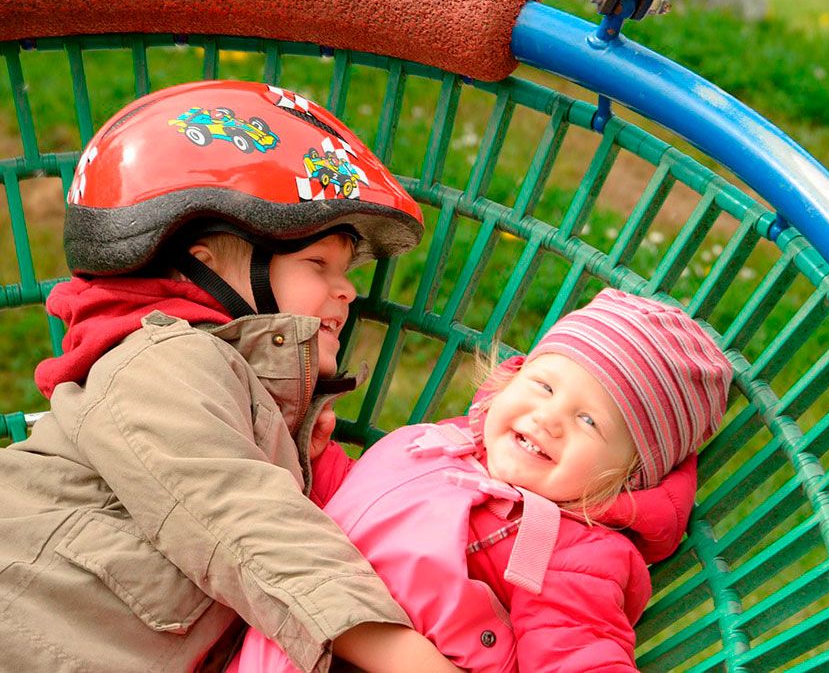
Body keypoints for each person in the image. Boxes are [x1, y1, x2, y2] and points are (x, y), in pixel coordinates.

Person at [0, 80, 461, 673]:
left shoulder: (287, 428)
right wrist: (405, 658)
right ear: (203, 265)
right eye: (318, 263)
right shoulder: (159, 360)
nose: (347, 289)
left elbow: (377, 515)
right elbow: (243, 516)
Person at [231, 287, 734, 673]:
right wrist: (314, 459)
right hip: (279, 632)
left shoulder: (572, 553)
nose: (548, 417)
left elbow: (576, 648)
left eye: (590, 421)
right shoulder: (447, 445)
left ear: (627, 476)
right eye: (543, 385)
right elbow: (359, 505)